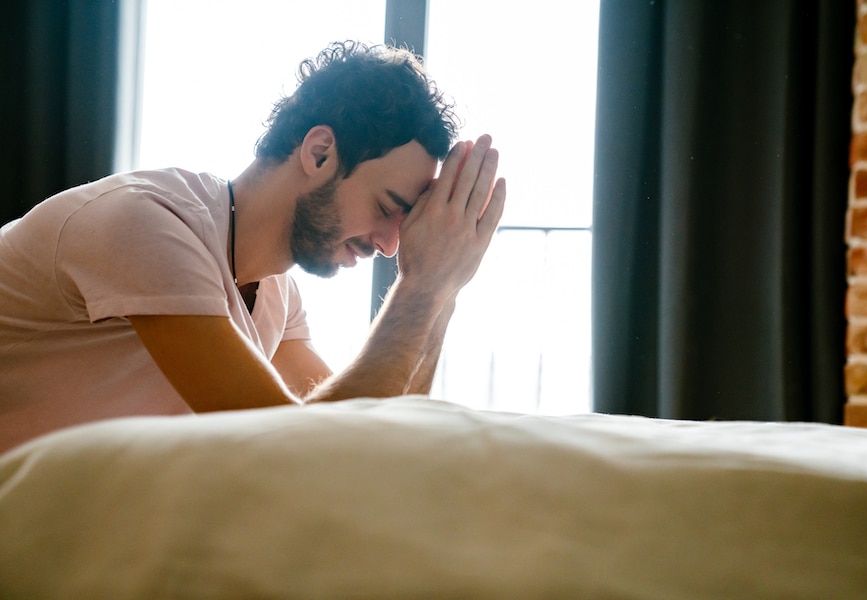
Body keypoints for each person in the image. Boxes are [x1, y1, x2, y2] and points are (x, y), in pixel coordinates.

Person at [0, 40, 506, 454]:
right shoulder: (149, 224)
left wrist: (445, 286)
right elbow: (299, 456)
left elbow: (369, 435)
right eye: (387, 205)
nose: (392, 245)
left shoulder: (277, 298)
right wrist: (421, 286)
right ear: (320, 152)